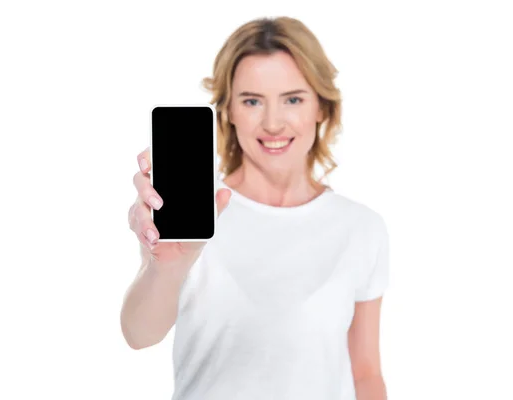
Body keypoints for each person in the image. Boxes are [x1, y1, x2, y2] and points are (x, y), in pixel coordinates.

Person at [121, 16, 390, 400]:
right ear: (228, 110)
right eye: (251, 101)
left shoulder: (361, 227)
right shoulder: (198, 213)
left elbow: (365, 374)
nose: (273, 123)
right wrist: (167, 267)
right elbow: (138, 334)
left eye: (293, 99)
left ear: (321, 106)